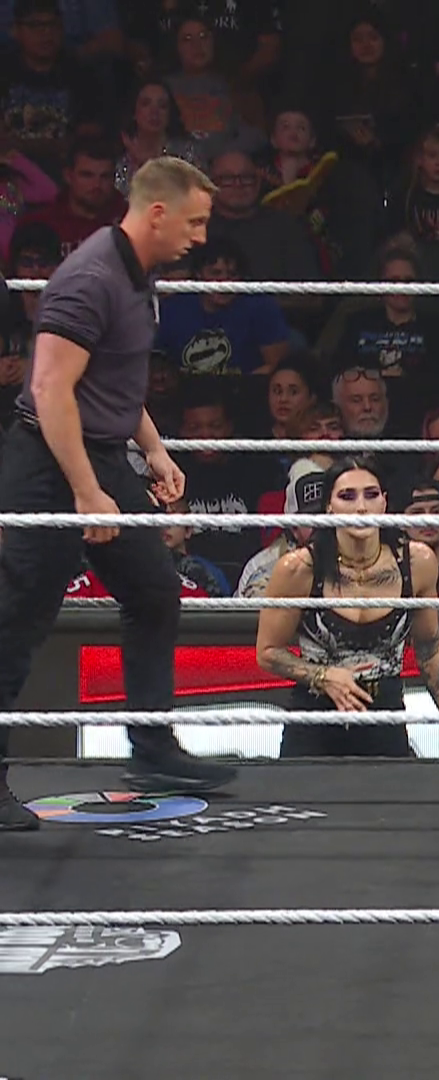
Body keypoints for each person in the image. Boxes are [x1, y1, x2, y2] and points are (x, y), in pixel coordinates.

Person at [0, 158, 228, 832]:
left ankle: (152, 750)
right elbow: (50, 389)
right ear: (157, 213)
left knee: (154, 589)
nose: (200, 237)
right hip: (49, 461)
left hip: (97, 454)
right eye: (194, 222)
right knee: (16, 622)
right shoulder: (91, 278)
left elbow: (114, 379)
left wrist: (152, 448)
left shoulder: (136, 273)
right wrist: (86, 491)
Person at [254, 459, 439, 760]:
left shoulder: (417, 563)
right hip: (315, 718)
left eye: (371, 494)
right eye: (347, 496)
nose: (361, 507)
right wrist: (322, 675)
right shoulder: (299, 568)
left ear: (384, 502)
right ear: (329, 507)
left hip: (384, 716)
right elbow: (268, 651)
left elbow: (429, 645)